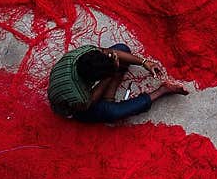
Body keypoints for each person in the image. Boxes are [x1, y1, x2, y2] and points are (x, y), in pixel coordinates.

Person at [47, 43, 188, 123]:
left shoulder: (85, 52)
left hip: (87, 83)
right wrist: (112, 73)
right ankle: (163, 90)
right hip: (77, 109)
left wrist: (145, 63)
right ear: (94, 80)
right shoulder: (77, 96)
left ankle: (109, 93)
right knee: (113, 112)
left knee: (122, 49)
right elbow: (89, 102)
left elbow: (111, 52)